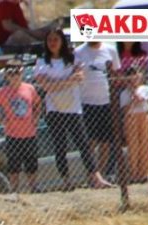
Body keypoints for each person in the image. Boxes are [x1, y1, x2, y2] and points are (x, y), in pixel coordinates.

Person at [34, 29, 114, 190]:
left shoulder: (73, 59)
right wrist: (68, 81)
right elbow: (46, 86)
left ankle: (96, 177)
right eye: (49, 40)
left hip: (73, 108)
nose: (53, 43)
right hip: (54, 109)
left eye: (56, 39)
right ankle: (66, 181)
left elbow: (79, 77)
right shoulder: (42, 62)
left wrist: (56, 84)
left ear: (62, 41)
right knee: (60, 145)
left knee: (83, 144)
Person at [0, 62, 42, 195]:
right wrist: (2, 120)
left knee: (31, 162)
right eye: (11, 73)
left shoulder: (29, 88)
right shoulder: (3, 92)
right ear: (6, 75)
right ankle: (14, 190)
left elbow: (37, 104)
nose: (15, 76)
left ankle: (33, 187)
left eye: (17, 72)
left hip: (29, 133)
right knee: (14, 164)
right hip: (12, 134)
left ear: (22, 73)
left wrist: (36, 118)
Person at [74, 40, 119, 179]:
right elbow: (76, 72)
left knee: (105, 141)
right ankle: (92, 176)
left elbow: (116, 72)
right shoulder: (78, 52)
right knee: (90, 142)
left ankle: (102, 174)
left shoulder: (110, 50)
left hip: (106, 101)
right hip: (87, 102)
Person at [118, 65, 148, 184]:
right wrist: (131, 92)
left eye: (135, 74)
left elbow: (141, 100)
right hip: (130, 118)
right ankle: (134, 173)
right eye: (130, 75)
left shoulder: (145, 88)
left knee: (145, 143)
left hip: (143, 116)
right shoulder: (123, 93)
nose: (133, 77)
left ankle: (145, 172)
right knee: (133, 145)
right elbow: (125, 109)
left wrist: (133, 92)